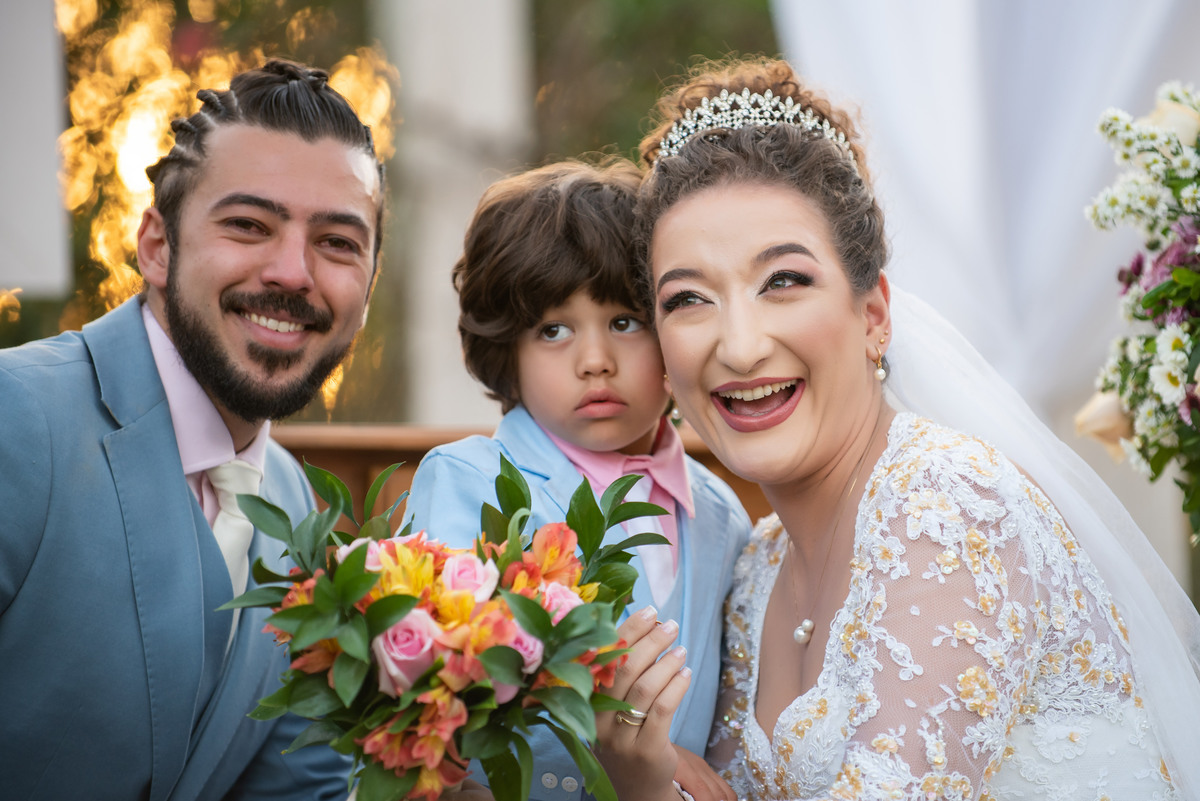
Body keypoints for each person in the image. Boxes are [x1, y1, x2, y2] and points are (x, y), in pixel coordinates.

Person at [601, 57, 1200, 800]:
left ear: (873, 316)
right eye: (689, 299)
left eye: (784, 281)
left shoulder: (950, 503)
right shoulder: (753, 570)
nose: (741, 344)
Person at [0, 59, 385, 799]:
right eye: (248, 225)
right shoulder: (17, 419)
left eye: (337, 242)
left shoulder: (294, 503)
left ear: (367, 288)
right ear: (156, 246)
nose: (293, 272)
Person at [402, 158, 752, 801]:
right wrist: (656, 756)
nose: (595, 362)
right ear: (507, 349)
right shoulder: (468, 485)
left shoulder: (723, 515)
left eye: (625, 321)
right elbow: (424, 716)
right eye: (553, 330)